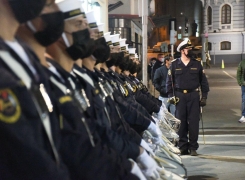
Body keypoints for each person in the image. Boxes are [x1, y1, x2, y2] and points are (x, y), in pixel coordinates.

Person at [166, 39, 209, 156]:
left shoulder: (197, 64)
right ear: (182, 50)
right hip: (179, 97)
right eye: (188, 49)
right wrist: (171, 96)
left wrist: (204, 97)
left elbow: (203, 82)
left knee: (194, 122)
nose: (190, 51)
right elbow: (169, 83)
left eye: (190, 49)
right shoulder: (174, 65)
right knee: (181, 122)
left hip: (194, 96)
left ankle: (193, 147)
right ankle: (183, 146)